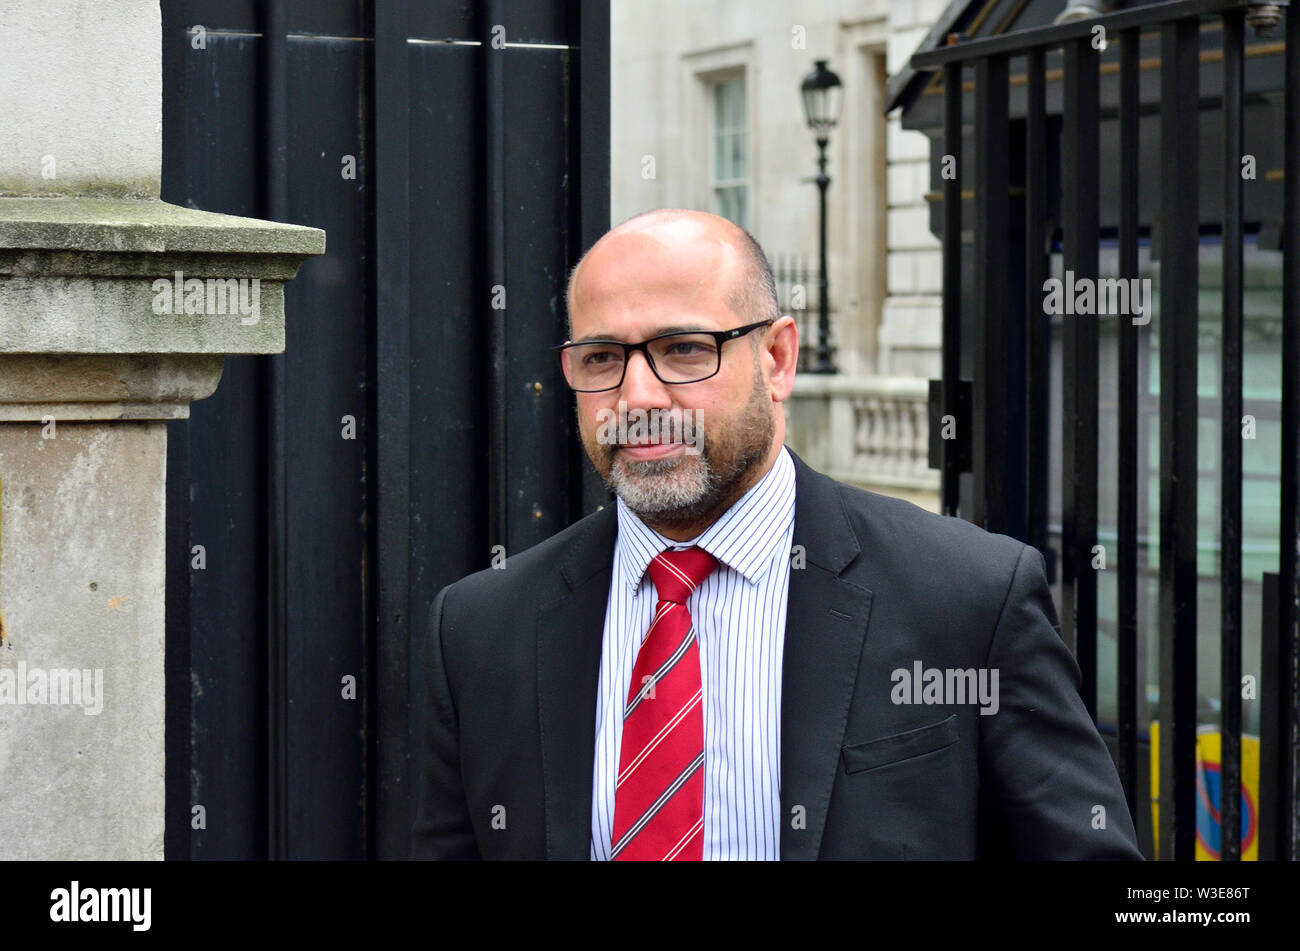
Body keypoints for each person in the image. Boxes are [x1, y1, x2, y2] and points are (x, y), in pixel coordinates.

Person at [410, 208, 1142, 860]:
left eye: (684, 348)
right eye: (603, 358)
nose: (636, 396)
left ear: (778, 358)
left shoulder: (969, 597)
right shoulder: (479, 631)